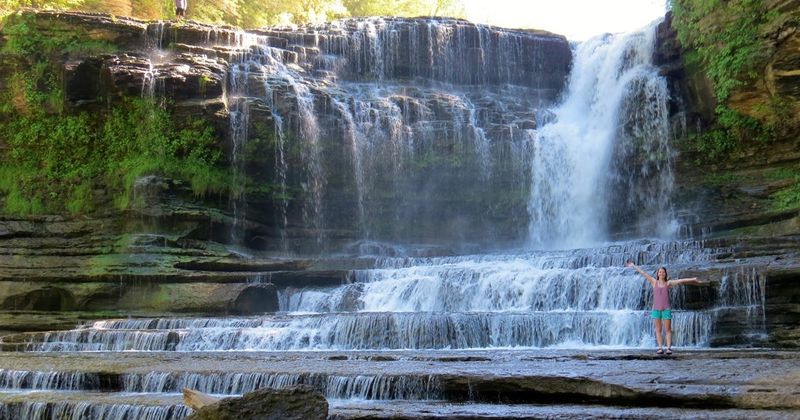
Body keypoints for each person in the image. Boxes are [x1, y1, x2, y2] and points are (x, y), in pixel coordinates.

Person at [625, 260, 706, 355]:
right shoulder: (653, 282)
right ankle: (660, 348)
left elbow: (681, 281)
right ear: (658, 274)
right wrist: (634, 266)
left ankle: (668, 348)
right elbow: (643, 273)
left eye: (663, 272)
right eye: (660, 272)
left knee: (667, 330)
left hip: (666, 309)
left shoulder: (668, 283)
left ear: (665, 274)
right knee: (658, 330)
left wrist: (693, 279)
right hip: (656, 310)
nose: (661, 273)